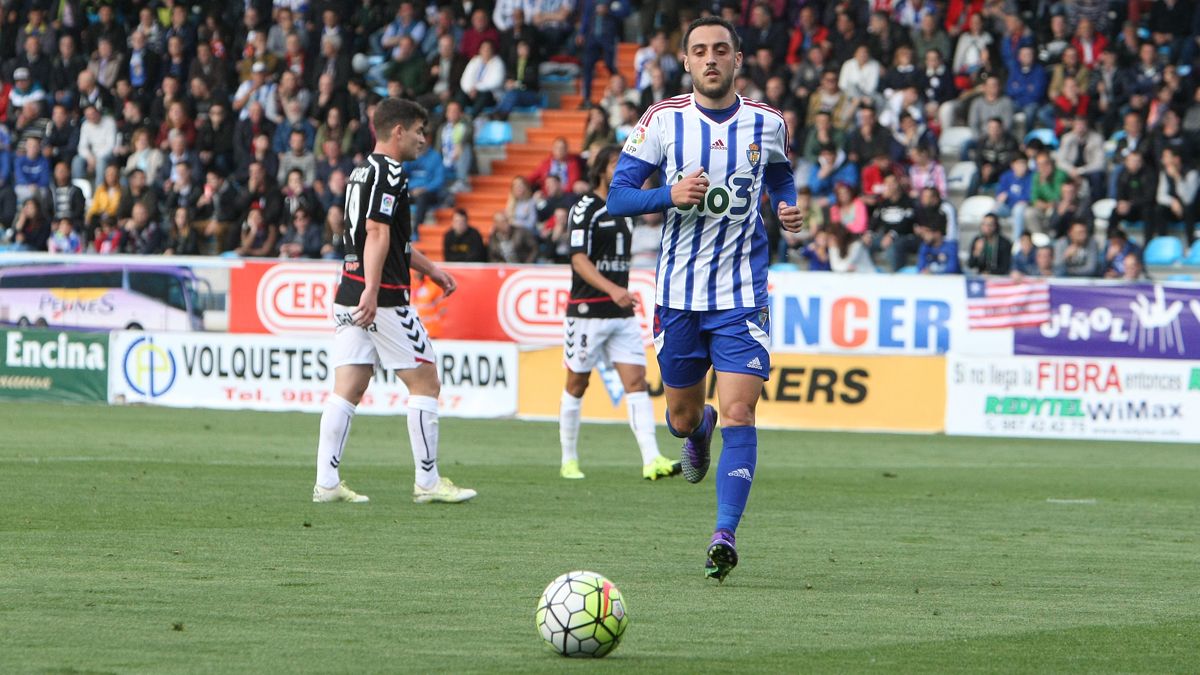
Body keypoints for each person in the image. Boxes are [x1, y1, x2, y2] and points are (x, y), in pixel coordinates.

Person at [607, 17, 803, 582]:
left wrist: (786, 208)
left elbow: (780, 176)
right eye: (699, 51)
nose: (710, 59)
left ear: (737, 59)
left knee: (743, 410)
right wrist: (669, 193)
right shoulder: (662, 122)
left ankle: (724, 533)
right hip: (679, 295)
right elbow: (617, 197)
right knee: (680, 415)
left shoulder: (767, 124)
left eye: (721, 50)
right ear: (686, 63)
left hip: (742, 294)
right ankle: (698, 431)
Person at [313, 97, 476, 505]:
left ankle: (326, 484)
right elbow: (377, 233)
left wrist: (430, 269)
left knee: (348, 385)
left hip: (350, 289)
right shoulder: (390, 172)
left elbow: (394, 241)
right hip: (381, 298)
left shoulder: (360, 171)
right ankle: (428, 481)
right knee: (425, 380)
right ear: (398, 131)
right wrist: (373, 290)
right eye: (419, 131)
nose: (423, 140)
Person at [558, 145, 681, 482]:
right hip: (587, 312)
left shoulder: (626, 207)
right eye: (616, 163)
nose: (623, 169)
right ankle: (569, 459)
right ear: (601, 169)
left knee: (637, 382)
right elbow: (578, 258)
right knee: (577, 383)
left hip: (621, 313)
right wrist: (612, 288)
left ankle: (651, 459)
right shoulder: (586, 207)